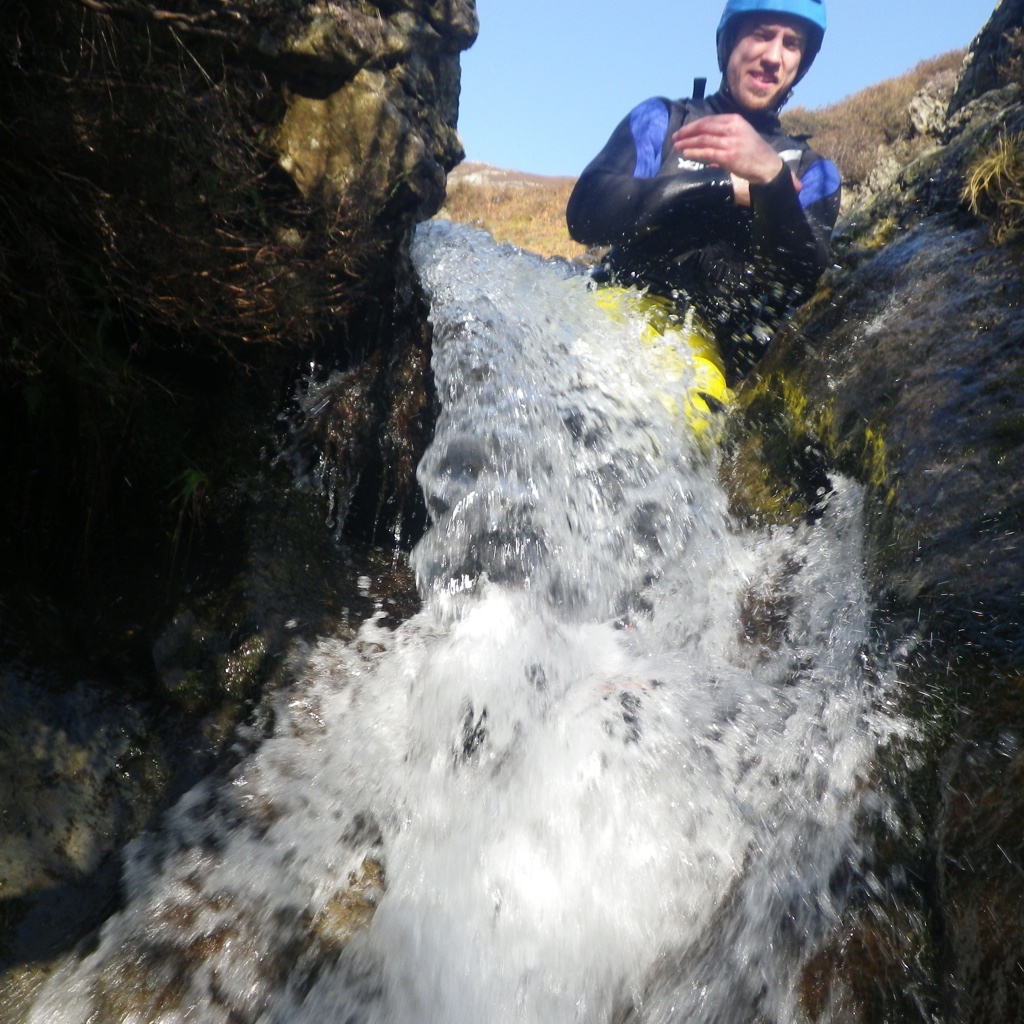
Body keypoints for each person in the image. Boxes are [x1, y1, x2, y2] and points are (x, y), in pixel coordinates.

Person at [566, 0, 841, 383]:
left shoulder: (810, 172)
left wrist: (772, 182)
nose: (774, 56)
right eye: (762, 35)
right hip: (606, 308)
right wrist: (726, 188)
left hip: (698, 360)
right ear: (728, 43)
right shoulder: (663, 120)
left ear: (802, 64)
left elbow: (796, 281)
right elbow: (584, 214)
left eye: (791, 44)